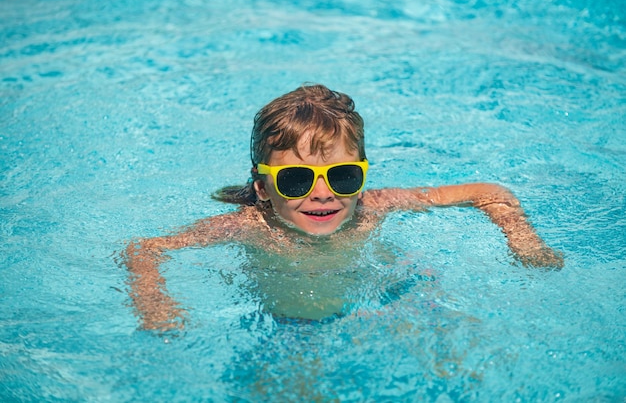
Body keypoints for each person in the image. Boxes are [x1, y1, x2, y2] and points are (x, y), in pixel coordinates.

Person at [124, 84, 563, 331]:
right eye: (295, 180)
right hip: (287, 323)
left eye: (342, 176)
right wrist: (155, 303)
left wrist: (524, 242)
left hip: (388, 299)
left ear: (362, 175)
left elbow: (489, 191)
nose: (322, 194)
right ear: (261, 186)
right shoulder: (247, 228)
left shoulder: (376, 206)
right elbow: (144, 249)